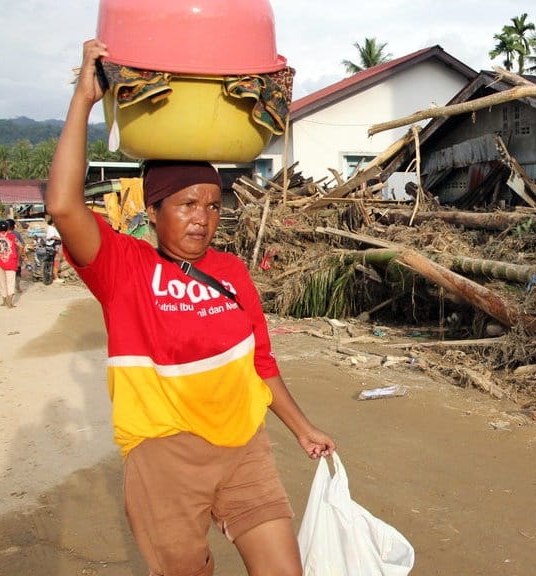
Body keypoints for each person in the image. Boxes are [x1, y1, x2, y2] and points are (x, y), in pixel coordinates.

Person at [46, 39, 335, 576]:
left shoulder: (231, 271)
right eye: (185, 204)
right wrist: (84, 100)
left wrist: (301, 427)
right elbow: (63, 205)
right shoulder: (123, 267)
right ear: (152, 211)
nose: (202, 218)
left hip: (244, 444)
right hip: (164, 456)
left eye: (212, 205)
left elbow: (261, 364)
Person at [0, 219, 19, 307]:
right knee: (10, 281)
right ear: (7, 228)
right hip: (10, 261)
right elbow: (21, 246)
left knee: (1, 281)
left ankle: (4, 301)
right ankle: (10, 302)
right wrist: (18, 255)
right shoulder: (12, 236)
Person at [6, 218, 26, 292]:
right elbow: (22, 244)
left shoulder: (2, 234)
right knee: (17, 272)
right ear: (13, 226)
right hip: (17, 255)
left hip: (6, 257)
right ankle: (17, 285)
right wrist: (23, 255)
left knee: (7, 272)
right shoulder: (16, 234)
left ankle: (9, 287)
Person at [44, 215, 65, 283]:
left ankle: (54, 275)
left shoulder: (52, 228)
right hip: (54, 246)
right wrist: (61, 239)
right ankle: (55, 277)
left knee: (56, 260)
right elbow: (52, 236)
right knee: (57, 260)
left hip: (54, 246)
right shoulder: (51, 228)